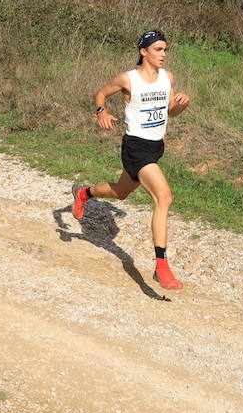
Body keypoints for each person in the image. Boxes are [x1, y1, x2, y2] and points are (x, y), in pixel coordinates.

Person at [74, 30, 191, 290]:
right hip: (136, 147)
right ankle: (162, 266)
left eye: (165, 50)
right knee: (164, 197)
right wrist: (100, 112)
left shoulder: (167, 78)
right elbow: (100, 95)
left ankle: (84, 193)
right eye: (158, 49)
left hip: (156, 146)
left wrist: (182, 103)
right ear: (144, 51)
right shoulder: (128, 79)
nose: (163, 54)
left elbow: (172, 111)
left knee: (121, 192)